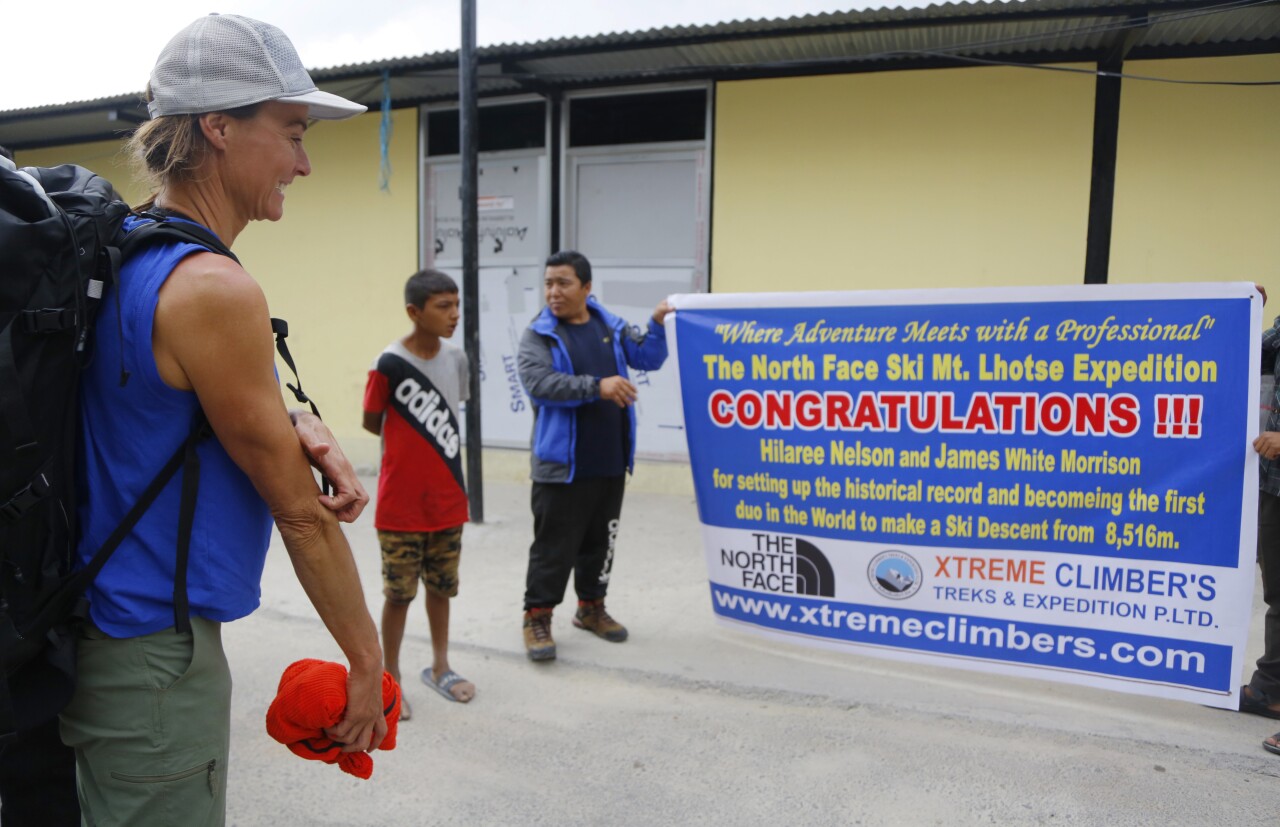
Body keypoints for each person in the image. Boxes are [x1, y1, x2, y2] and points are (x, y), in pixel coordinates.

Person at [57, 14, 386, 825]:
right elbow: (301, 516)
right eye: (293, 133)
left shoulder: (125, 245)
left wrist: (292, 420)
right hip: (154, 664)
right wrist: (366, 659)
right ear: (218, 126)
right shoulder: (213, 287)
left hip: (95, 636)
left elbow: (146, 407)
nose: (304, 163)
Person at [517, 250, 671, 660]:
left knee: (601, 544)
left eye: (563, 283)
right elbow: (539, 384)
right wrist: (596, 386)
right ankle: (537, 618)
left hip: (610, 459)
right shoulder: (539, 335)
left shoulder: (609, 325)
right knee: (553, 548)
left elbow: (648, 358)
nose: (553, 292)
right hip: (561, 467)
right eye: (548, 283)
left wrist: (657, 323)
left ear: (586, 287)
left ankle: (591, 608)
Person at [363, 270, 475, 712]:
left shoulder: (457, 359)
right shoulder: (388, 363)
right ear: (414, 311)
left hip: (448, 501)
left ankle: (441, 665)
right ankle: (390, 679)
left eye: (456, 304)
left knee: (442, 588)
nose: (454, 314)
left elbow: (455, 405)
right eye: (443, 306)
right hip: (400, 508)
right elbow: (372, 421)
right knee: (398, 595)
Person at [1245, 285, 1280, 755]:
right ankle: (1270, 690)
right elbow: (1246, 364)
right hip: (1273, 482)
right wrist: (1245, 314)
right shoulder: (1276, 336)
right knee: (1277, 592)